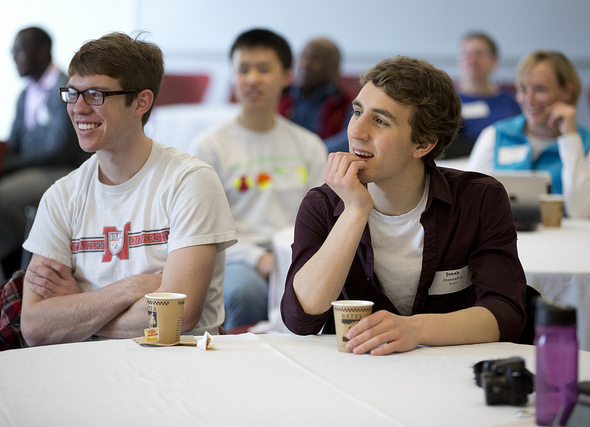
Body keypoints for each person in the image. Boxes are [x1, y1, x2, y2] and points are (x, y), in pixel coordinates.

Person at [281, 56, 527, 356]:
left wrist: (415, 329)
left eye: (380, 121)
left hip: (450, 373)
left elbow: (506, 312)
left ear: (423, 144)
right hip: (357, 374)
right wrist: (355, 211)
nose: (357, 131)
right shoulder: (323, 204)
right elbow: (300, 318)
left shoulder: (480, 200)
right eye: (357, 112)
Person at [20, 32, 237, 346]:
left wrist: (79, 306)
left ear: (142, 101)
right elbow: (35, 327)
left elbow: (178, 315)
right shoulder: (60, 195)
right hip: (86, 370)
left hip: (179, 368)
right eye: (72, 92)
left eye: (96, 94)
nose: (78, 108)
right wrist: (134, 287)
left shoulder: (190, 181)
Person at [190, 29, 327, 330]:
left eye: (263, 69)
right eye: (243, 69)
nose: (252, 79)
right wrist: (260, 259)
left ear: (287, 76)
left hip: (297, 252)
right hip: (237, 256)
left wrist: (293, 257)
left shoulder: (308, 145)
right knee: (247, 294)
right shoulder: (209, 146)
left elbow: (323, 218)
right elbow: (205, 228)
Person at [468, 50, 590, 218]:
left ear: (567, 91)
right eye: (522, 89)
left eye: (540, 89)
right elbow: (470, 202)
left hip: (566, 242)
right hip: (503, 239)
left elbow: (582, 212)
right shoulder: (494, 136)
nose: (529, 99)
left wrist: (570, 138)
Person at [0, 27, 87, 275]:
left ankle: (25, 264)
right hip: (31, 171)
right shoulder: (24, 94)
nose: (13, 57)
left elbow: (58, 150)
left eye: (19, 50)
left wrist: (11, 166)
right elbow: (14, 145)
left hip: (61, 169)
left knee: (3, 199)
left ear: (42, 51)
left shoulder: (65, 88)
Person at [446, 32, 520, 158]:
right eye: (465, 54)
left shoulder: (512, 101)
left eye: (479, 54)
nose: (472, 60)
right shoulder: (447, 101)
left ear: (494, 61)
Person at [277, 37, 354, 153]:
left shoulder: (347, 104)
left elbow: (350, 140)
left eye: (315, 58)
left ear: (334, 68)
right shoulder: (281, 95)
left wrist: (311, 154)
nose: (305, 64)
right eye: (303, 56)